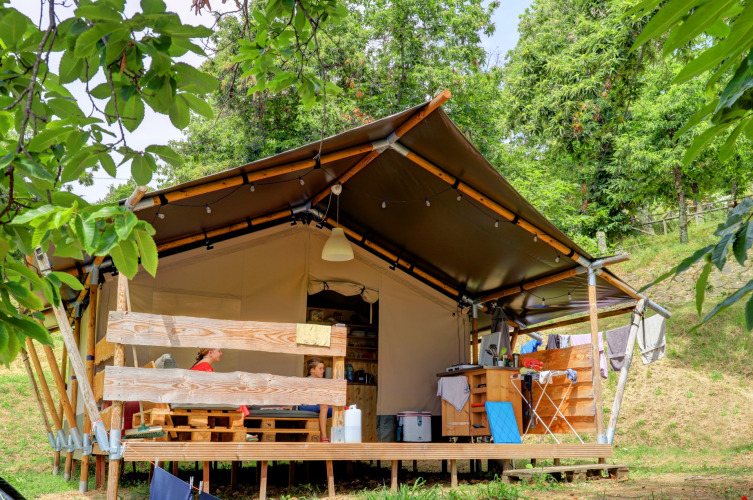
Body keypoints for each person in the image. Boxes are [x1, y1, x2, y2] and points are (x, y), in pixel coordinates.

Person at [190, 348, 250, 419]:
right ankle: (237, 420)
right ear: (210, 353)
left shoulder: (201, 365)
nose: (221, 353)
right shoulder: (205, 367)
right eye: (219, 351)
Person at [300, 357, 332, 442]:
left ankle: (336, 437)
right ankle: (324, 436)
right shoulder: (304, 381)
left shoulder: (323, 382)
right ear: (312, 370)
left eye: (323, 368)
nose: (323, 371)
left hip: (319, 406)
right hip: (306, 406)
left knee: (340, 409)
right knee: (324, 406)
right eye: (320, 368)